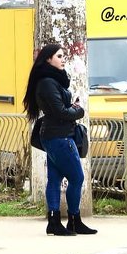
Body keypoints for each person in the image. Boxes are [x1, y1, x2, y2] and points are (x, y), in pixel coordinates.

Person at [23, 43, 96, 237]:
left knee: (54, 179)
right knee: (77, 177)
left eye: (64, 56)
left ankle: (55, 222)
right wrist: (78, 110)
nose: (63, 59)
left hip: (55, 135)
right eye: (59, 56)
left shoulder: (52, 81)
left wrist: (69, 108)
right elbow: (60, 112)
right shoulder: (48, 82)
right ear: (48, 59)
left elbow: (58, 108)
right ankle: (73, 219)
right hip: (60, 136)